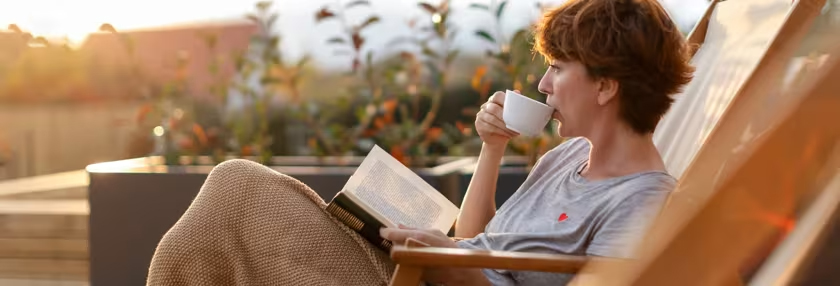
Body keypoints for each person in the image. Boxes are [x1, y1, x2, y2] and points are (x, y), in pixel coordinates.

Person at [146, 0, 694, 285]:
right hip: (430, 268)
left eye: (557, 69)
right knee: (232, 192)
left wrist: (451, 265)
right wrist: (492, 148)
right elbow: (480, 237)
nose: (544, 85)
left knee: (236, 193)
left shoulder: (640, 202)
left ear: (605, 84)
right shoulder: (568, 156)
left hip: (424, 280)